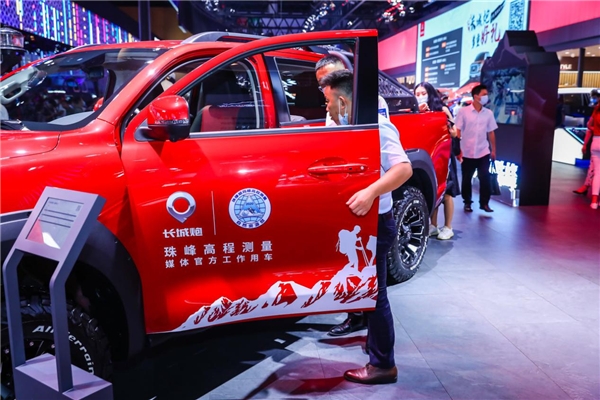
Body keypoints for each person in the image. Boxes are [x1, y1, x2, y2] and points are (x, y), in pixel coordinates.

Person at [320, 70, 412, 384]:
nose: (326, 108)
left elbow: (403, 169)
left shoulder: (378, 127)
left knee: (375, 296)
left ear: (343, 101)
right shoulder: (349, 127)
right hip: (360, 224)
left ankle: (383, 365)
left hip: (375, 224)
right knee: (370, 293)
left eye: (328, 101)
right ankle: (377, 348)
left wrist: (370, 192)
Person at [415, 82, 460, 240]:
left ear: (430, 93)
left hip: (444, 156)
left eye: (423, 93)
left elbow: (454, 132)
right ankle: (433, 225)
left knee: (447, 192)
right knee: (434, 191)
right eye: (417, 94)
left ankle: (448, 227)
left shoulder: (442, 110)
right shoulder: (416, 111)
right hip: (429, 155)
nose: (420, 96)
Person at [454, 84, 497, 213]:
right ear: (476, 96)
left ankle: (484, 203)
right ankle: (467, 202)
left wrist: (493, 150)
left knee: (485, 177)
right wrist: (458, 149)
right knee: (467, 178)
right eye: (484, 94)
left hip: (483, 151)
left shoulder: (488, 113)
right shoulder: (464, 112)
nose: (486, 97)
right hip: (467, 151)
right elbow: (458, 130)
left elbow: (491, 132)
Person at [573, 89, 599, 196]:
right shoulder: (595, 110)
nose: (594, 99)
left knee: (595, 167)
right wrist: (585, 144)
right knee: (593, 166)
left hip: (597, 141)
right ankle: (587, 187)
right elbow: (589, 127)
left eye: (595, 97)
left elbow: (590, 127)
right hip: (596, 141)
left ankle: (590, 190)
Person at [582, 96, 600, 209]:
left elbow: (589, 125)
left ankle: (594, 202)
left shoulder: (596, 111)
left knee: (598, 173)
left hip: (596, 141)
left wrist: (595, 129)